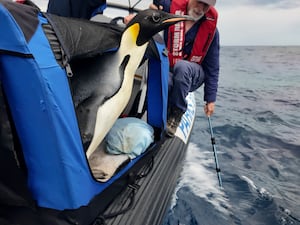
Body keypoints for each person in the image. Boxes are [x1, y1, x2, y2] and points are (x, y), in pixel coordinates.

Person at [149, 0, 220, 137]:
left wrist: (210, 99)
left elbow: (213, 67)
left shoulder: (212, 31)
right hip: (170, 68)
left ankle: (177, 112)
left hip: (194, 73)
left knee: (182, 67)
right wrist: (154, 10)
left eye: (206, 6)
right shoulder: (170, 8)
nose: (201, 8)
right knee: (166, 80)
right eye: (199, 2)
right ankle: (159, 115)